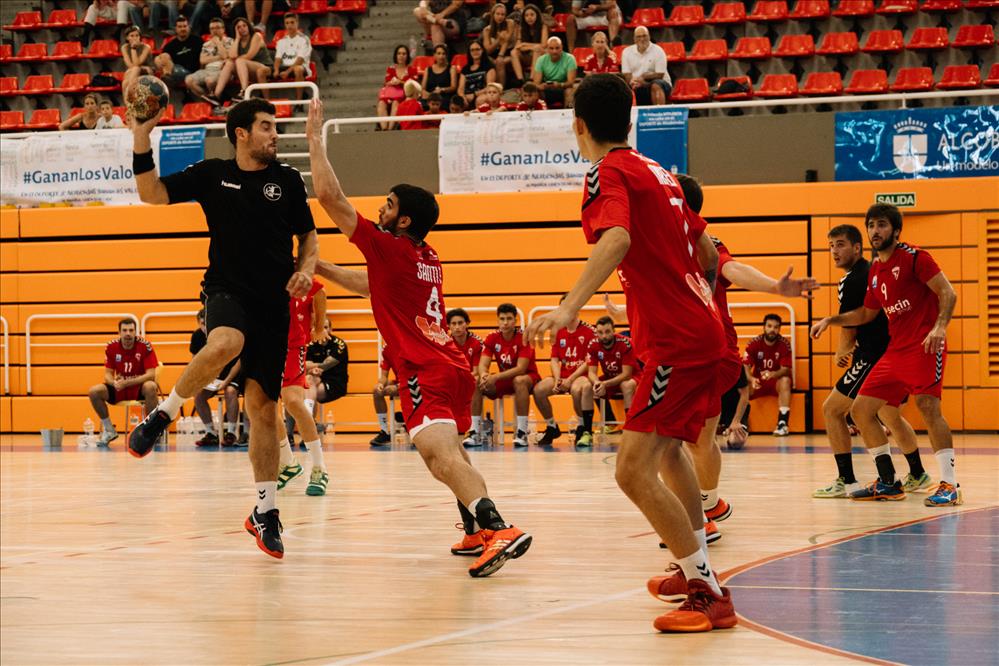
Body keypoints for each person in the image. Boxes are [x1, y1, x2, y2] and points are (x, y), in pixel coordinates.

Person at [526, 74, 735, 632]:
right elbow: (707, 251)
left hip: (676, 340)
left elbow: (614, 239)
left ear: (578, 124)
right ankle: (697, 564)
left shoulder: (606, 172)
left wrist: (570, 306)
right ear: (631, 117)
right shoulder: (659, 170)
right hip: (698, 328)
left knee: (631, 470)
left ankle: (707, 592)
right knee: (669, 455)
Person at [306, 98, 531, 577]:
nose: (380, 210)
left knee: (437, 455)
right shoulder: (426, 256)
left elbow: (329, 198)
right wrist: (316, 266)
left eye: (387, 205)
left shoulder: (387, 247)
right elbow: (370, 285)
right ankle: (474, 528)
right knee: (453, 455)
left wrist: (313, 136)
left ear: (402, 220)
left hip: (422, 368)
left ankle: (499, 527)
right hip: (452, 367)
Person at [127, 98, 319, 561]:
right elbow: (150, 193)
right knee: (226, 341)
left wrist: (307, 270)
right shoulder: (212, 174)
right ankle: (165, 413)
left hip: (274, 304)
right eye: (267, 126)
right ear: (241, 133)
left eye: (276, 127)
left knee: (264, 410)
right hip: (226, 290)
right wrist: (140, 136)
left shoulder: (288, 180)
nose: (275, 134)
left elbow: (308, 237)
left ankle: (264, 512)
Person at [811, 203, 961, 507]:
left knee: (928, 407)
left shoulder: (915, 257)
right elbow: (867, 313)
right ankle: (889, 482)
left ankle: (950, 484)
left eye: (881, 224)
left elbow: (948, 292)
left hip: (924, 345)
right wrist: (831, 321)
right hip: (895, 351)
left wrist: (940, 327)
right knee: (862, 411)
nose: (875, 231)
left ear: (895, 229)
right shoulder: (876, 270)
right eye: (871, 225)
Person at [814, 223, 929, 499]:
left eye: (840, 244)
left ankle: (849, 480)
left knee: (833, 410)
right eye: (831, 246)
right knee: (889, 413)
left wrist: (843, 350)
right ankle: (917, 473)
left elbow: (853, 322)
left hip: (874, 354)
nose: (834, 251)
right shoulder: (874, 271)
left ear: (857, 247)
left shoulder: (854, 278)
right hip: (894, 351)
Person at [277, 278, 330, 497]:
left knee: (293, 402)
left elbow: (320, 292)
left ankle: (319, 469)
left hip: (292, 345)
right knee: (264, 407)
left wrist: (318, 327)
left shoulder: (292, 270)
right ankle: (288, 463)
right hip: (265, 346)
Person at [532, 298, 595, 446]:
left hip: (581, 375)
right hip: (563, 375)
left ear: (577, 309)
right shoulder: (558, 331)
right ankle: (552, 426)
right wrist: (557, 379)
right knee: (538, 390)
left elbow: (589, 362)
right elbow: (554, 359)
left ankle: (581, 426)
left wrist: (570, 379)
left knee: (576, 389)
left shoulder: (588, 331)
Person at [88, 319, 159, 447]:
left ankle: (150, 430)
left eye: (131, 330)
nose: (128, 333)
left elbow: (151, 375)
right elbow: (108, 374)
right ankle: (109, 429)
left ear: (135, 332)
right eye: (124, 330)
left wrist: (127, 382)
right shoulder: (111, 347)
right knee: (94, 391)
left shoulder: (145, 346)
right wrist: (114, 382)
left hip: (138, 387)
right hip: (120, 388)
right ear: (119, 332)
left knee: (151, 386)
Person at [478, 303, 541, 447]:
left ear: (515, 321)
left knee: (519, 380)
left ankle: (522, 431)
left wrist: (495, 377)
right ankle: (475, 431)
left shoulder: (524, 337)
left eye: (509, 319)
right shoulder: (492, 337)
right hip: (505, 379)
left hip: (528, 378)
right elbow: (483, 364)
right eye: (502, 319)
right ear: (498, 320)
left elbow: (521, 368)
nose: (505, 323)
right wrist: (483, 375)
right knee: (477, 381)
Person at [189, 308, 243, 446]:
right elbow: (196, 362)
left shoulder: (225, 334)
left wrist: (226, 381)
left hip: (232, 373)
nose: (205, 326)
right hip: (212, 375)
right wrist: (200, 380)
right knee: (199, 396)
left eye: (207, 322)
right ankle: (211, 433)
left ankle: (231, 433)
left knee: (230, 392)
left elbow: (239, 362)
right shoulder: (197, 336)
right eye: (202, 323)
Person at [743, 314, 793, 436]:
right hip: (758, 382)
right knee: (742, 382)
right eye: (769, 326)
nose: (772, 330)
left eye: (776, 327)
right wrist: (751, 378)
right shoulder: (754, 343)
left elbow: (786, 370)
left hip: (775, 381)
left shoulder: (784, 344)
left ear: (779, 329)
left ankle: (782, 423)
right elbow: (745, 366)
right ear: (764, 327)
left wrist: (773, 374)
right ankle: (742, 423)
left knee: (786, 380)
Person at [446, 308, 485, 447]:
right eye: (453, 324)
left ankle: (475, 432)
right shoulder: (445, 342)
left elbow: (476, 371)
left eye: (460, 323)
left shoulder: (476, 342)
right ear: (448, 326)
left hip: (469, 378)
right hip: (451, 379)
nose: (457, 327)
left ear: (467, 324)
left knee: (474, 382)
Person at [587, 314, 638, 420]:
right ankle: (609, 423)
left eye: (607, 332)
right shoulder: (593, 344)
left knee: (626, 386)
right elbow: (591, 372)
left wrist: (604, 384)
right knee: (591, 388)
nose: (604, 336)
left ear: (614, 331)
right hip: (610, 377)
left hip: (633, 376)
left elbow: (627, 374)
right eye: (600, 332)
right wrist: (597, 382)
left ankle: (630, 424)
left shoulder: (626, 343)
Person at [209, 16, 271, 102]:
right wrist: (237, 38)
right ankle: (216, 94)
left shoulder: (257, 36)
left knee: (238, 60)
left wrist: (232, 59)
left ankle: (244, 91)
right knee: (229, 64)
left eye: (244, 25)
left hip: (264, 67)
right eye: (238, 27)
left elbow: (249, 56)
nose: (242, 28)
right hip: (247, 70)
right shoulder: (237, 40)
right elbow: (231, 56)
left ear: (248, 26)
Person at [305, 318, 349, 411]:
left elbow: (327, 364)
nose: (323, 331)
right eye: (320, 328)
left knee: (308, 392)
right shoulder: (311, 345)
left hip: (335, 382)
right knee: (308, 379)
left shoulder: (339, 344)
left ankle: (310, 421)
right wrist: (313, 370)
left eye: (325, 327)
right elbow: (305, 365)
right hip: (317, 379)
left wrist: (313, 367)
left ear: (330, 329)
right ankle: (310, 420)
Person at [186, 18, 233, 101]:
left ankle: (215, 99)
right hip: (207, 70)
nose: (215, 31)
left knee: (209, 81)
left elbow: (226, 56)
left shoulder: (230, 41)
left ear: (223, 29)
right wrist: (219, 57)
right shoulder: (206, 44)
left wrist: (218, 43)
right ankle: (208, 98)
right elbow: (202, 61)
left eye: (218, 28)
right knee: (188, 80)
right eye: (212, 28)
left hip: (222, 71)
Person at [621, 26, 670, 105]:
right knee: (627, 88)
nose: (642, 39)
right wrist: (633, 82)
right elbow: (627, 74)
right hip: (638, 84)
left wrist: (643, 77)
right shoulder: (626, 52)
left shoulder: (658, 51)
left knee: (656, 85)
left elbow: (660, 75)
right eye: (638, 37)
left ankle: (659, 114)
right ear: (634, 39)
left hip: (661, 84)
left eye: (644, 36)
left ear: (649, 37)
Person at [377, 44, 417, 130]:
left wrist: (401, 82)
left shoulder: (412, 69)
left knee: (395, 103)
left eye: (404, 54)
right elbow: (386, 83)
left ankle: (390, 129)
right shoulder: (390, 69)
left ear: (407, 56)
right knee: (381, 103)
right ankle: (384, 129)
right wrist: (390, 83)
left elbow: (414, 85)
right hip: (391, 95)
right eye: (399, 53)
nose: (401, 56)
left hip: (406, 96)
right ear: (396, 55)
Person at [156, 16, 201, 90]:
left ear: (188, 27)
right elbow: (162, 59)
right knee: (159, 58)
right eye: (180, 27)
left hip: (192, 72)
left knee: (175, 71)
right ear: (175, 29)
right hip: (175, 68)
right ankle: (168, 76)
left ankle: (168, 79)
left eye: (185, 26)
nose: (183, 29)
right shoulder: (170, 45)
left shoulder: (197, 40)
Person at [266, 13, 311, 89]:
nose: (289, 25)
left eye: (292, 22)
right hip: (284, 67)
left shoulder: (304, 39)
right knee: (262, 71)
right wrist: (276, 70)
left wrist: (287, 72)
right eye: (287, 23)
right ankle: (265, 100)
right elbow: (277, 59)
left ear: (297, 23)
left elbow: (300, 60)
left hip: (301, 67)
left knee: (298, 69)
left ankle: (299, 99)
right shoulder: (281, 41)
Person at [370, 345, 402, 446]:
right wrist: (380, 384)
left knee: (395, 388)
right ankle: (385, 432)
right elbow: (384, 376)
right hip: (401, 381)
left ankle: (408, 422)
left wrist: (399, 386)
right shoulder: (387, 348)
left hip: (417, 381)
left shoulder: (409, 343)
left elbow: (417, 373)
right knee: (377, 391)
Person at [532, 36, 576, 107]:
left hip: (563, 88)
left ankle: (567, 114)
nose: (554, 51)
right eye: (551, 48)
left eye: (557, 48)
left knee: (570, 91)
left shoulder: (570, 59)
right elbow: (536, 83)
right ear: (547, 49)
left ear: (561, 47)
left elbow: (571, 82)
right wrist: (541, 86)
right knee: (535, 92)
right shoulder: (541, 60)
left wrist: (559, 85)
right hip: (546, 90)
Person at [511, 3, 547, 84]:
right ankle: (520, 80)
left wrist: (525, 45)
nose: (529, 18)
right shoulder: (522, 28)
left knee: (537, 49)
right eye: (526, 15)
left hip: (541, 56)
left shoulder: (543, 27)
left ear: (537, 15)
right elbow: (518, 46)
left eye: (532, 15)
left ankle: (531, 80)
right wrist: (527, 46)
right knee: (513, 52)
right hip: (528, 55)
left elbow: (544, 45)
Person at [482, 2, 515, 87]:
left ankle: (500, 89)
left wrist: (500, 55)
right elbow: (488, 50)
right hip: (493, 54)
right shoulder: (487, 30)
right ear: (493, 14)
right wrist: (498, 40)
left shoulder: (510, 23)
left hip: (507, 52)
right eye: (498, 14)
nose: (500, 17)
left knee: (499, 62)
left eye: (503, 14)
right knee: (485, 59)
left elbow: (506, 41)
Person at [457, 40, 496, 108]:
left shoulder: (489, 67)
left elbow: (489, 87)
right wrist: (463, 98)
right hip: (467, 97)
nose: (475, 52)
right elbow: (460, 89)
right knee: (457, 101)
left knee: (480, 100)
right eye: (472, 50)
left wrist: (474, 95)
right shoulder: (465, 69)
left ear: (482, 50)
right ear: (469, 52)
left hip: (483, 95)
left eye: (477, 49)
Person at [121, 26, 154, 95]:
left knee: (135, 69)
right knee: (124, 83)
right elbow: (129, 64)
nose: (135, 38)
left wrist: (133, 48)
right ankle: (128, 104)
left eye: (137, 35)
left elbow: (137, 64)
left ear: (140, 37)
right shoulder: (124, 47)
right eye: (132, 36)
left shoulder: (146, 47)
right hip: (133, 71)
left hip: (147, 70)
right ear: (127, 38)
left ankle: (130, 95)